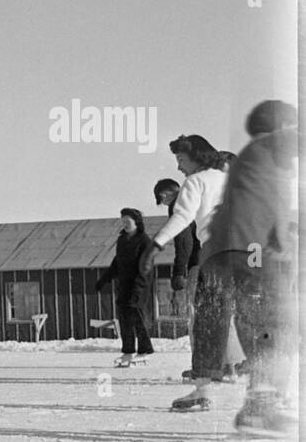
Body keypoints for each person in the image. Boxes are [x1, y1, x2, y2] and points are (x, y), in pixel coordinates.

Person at [197, 100, 298, 432]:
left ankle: (261, 402)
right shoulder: (266, 146)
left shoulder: (262, 160)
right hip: (249, 248)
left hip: (239, 248)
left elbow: (273, 208)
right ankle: (262, 404)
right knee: (276, 318)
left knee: (266, 318)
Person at [140, 134, 227, 411]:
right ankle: (267, 390)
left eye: (181, 160)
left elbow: (182, 216)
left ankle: (202, 389)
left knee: (209, 319)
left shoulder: (196, 181)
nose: (178, 167)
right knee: (250, 315)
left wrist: (155, 245)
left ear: (196, 157)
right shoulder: (230, 177)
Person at [95, 209, 155, 366]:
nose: (125, 225)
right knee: (124, 318)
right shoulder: (122, 240)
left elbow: (146, 267)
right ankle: (128, 351)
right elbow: (117, 263)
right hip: (124, 285)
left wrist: (139, 287)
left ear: (137, 222)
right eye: (123, 222)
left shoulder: (144, 241)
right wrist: (104, 279)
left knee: (137, 317)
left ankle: (144, 350)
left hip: (139, 285)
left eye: (128, 222)